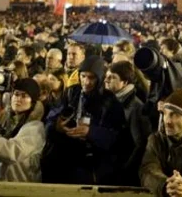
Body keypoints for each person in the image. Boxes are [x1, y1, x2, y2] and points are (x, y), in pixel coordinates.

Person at [44, 55, 127, 185]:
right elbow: (51, 118)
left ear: (100, 78)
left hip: (93, 166)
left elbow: (118, 138)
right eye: (83, 76)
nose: (86, 82)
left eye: (91, 78)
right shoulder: (72, 93)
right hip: (66, 159)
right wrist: (57, 126)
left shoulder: (110, 101)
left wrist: (91, 132)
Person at [105, 61, 152, 185]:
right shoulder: (114, 100)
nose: (107, 80)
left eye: (112, 77)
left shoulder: (135, 107)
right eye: (107, 76)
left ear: (125, 82)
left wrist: (124, 169)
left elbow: (140, 144)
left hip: (125, 172)